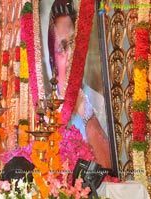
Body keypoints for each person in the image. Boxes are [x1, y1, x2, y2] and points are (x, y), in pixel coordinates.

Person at [47, 0, 112, 168]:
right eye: (62, 48)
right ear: (52, 58)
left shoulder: (97, 102)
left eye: (72, 44)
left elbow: (106, 170)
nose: (70, 54)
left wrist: (86, 113)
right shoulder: (43, 108)